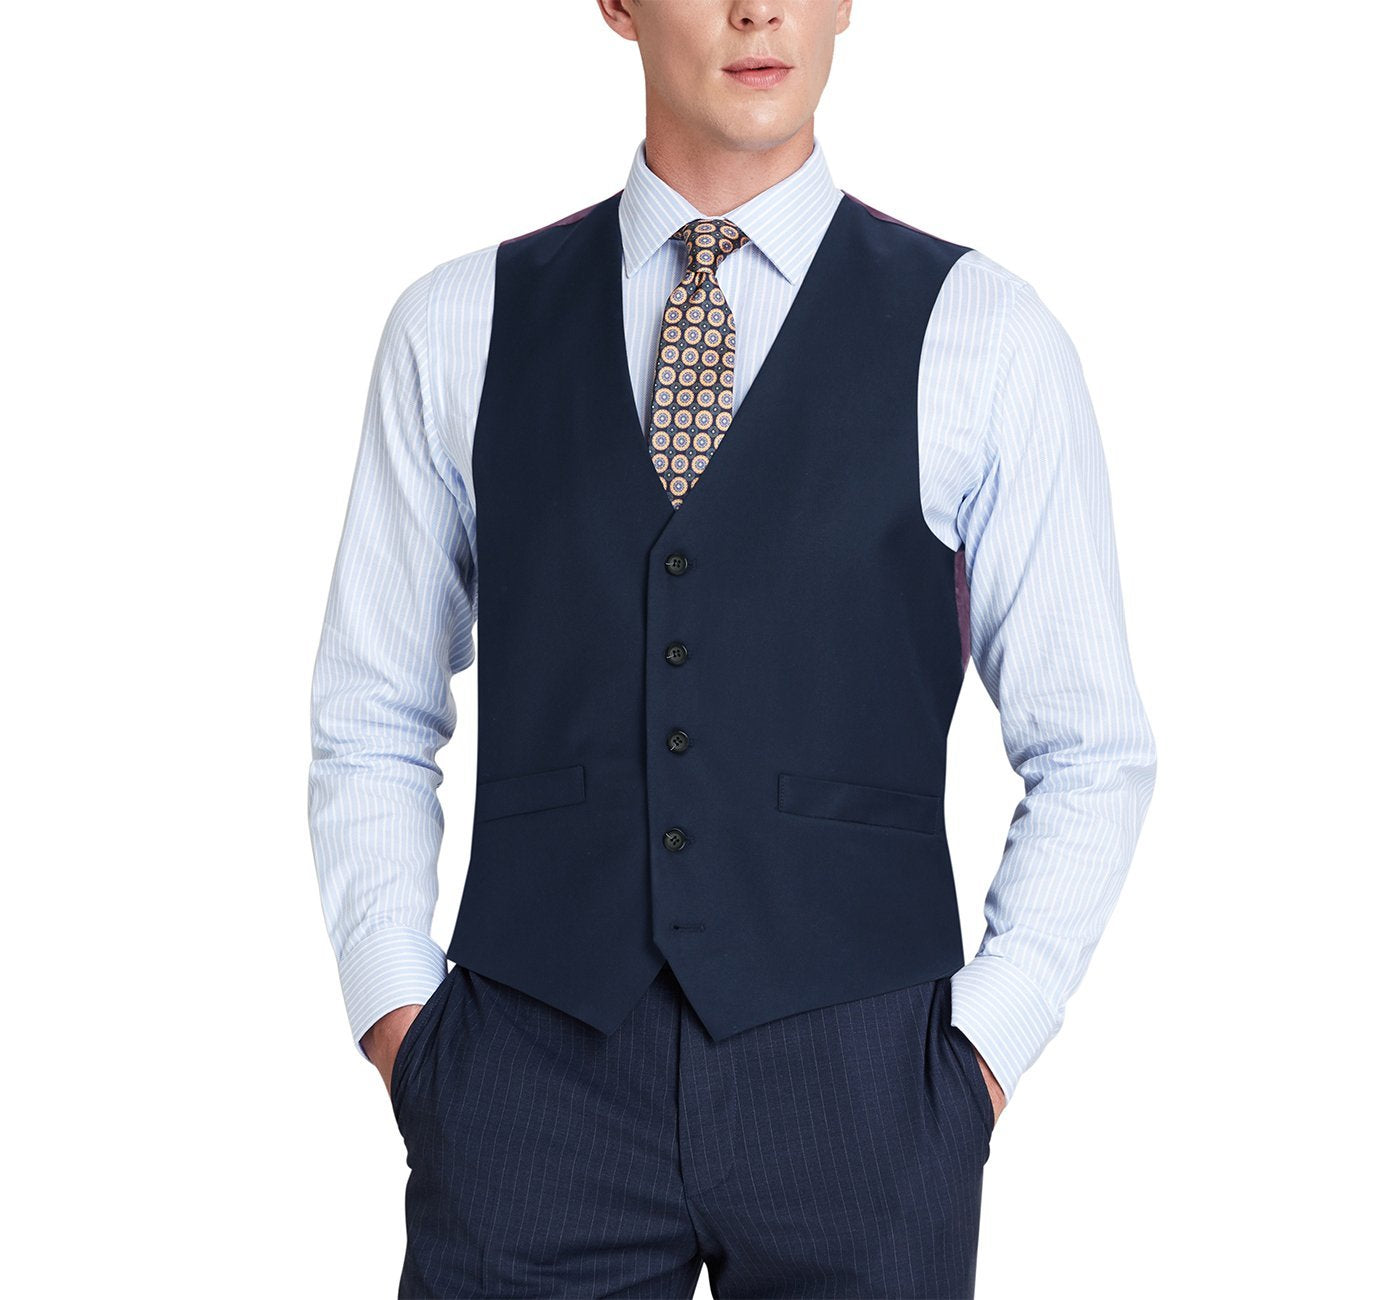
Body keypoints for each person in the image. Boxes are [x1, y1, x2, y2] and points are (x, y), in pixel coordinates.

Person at [307, 2, 1157, 1295]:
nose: (759, 8)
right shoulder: (458, 324)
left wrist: (977, 1057)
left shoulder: (984, 335)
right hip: (528, 1081)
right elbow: (372, 706)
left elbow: (1091, 745)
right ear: (617, 3)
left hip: (866, 1093)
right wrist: (401, 1024)